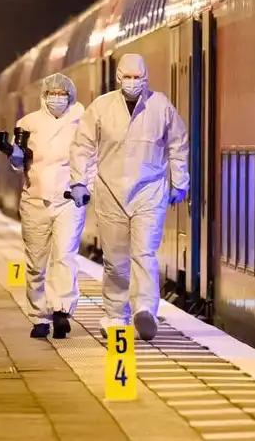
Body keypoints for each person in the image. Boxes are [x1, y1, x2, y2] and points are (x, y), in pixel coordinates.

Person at [69, 54, 189, 341]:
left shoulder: (160, 107)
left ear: (146, 77)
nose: (133, 82)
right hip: (110, 193)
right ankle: (115, 314)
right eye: (128, 77)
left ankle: (145, 309)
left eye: (138, 77)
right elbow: (82, 146)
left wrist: (179, 183)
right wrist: (78, 182)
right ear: (118, 77)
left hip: (150, 192)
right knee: (115, 259)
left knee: (145, 253)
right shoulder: (101, 108)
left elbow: (178, 145)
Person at [9, 73, 86, 339]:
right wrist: (16, 157)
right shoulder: (27, 123)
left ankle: (61, 311)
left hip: (69, 199)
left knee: (64, 255)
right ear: (44, 96)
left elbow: (91, 157)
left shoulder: (82, 121)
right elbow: (17, 163)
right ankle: (39, 316)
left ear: (70, 95)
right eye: (52, 93)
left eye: (61, 93)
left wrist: (85, 185)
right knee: (35, 261)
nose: (57, 98)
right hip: (35, 199)